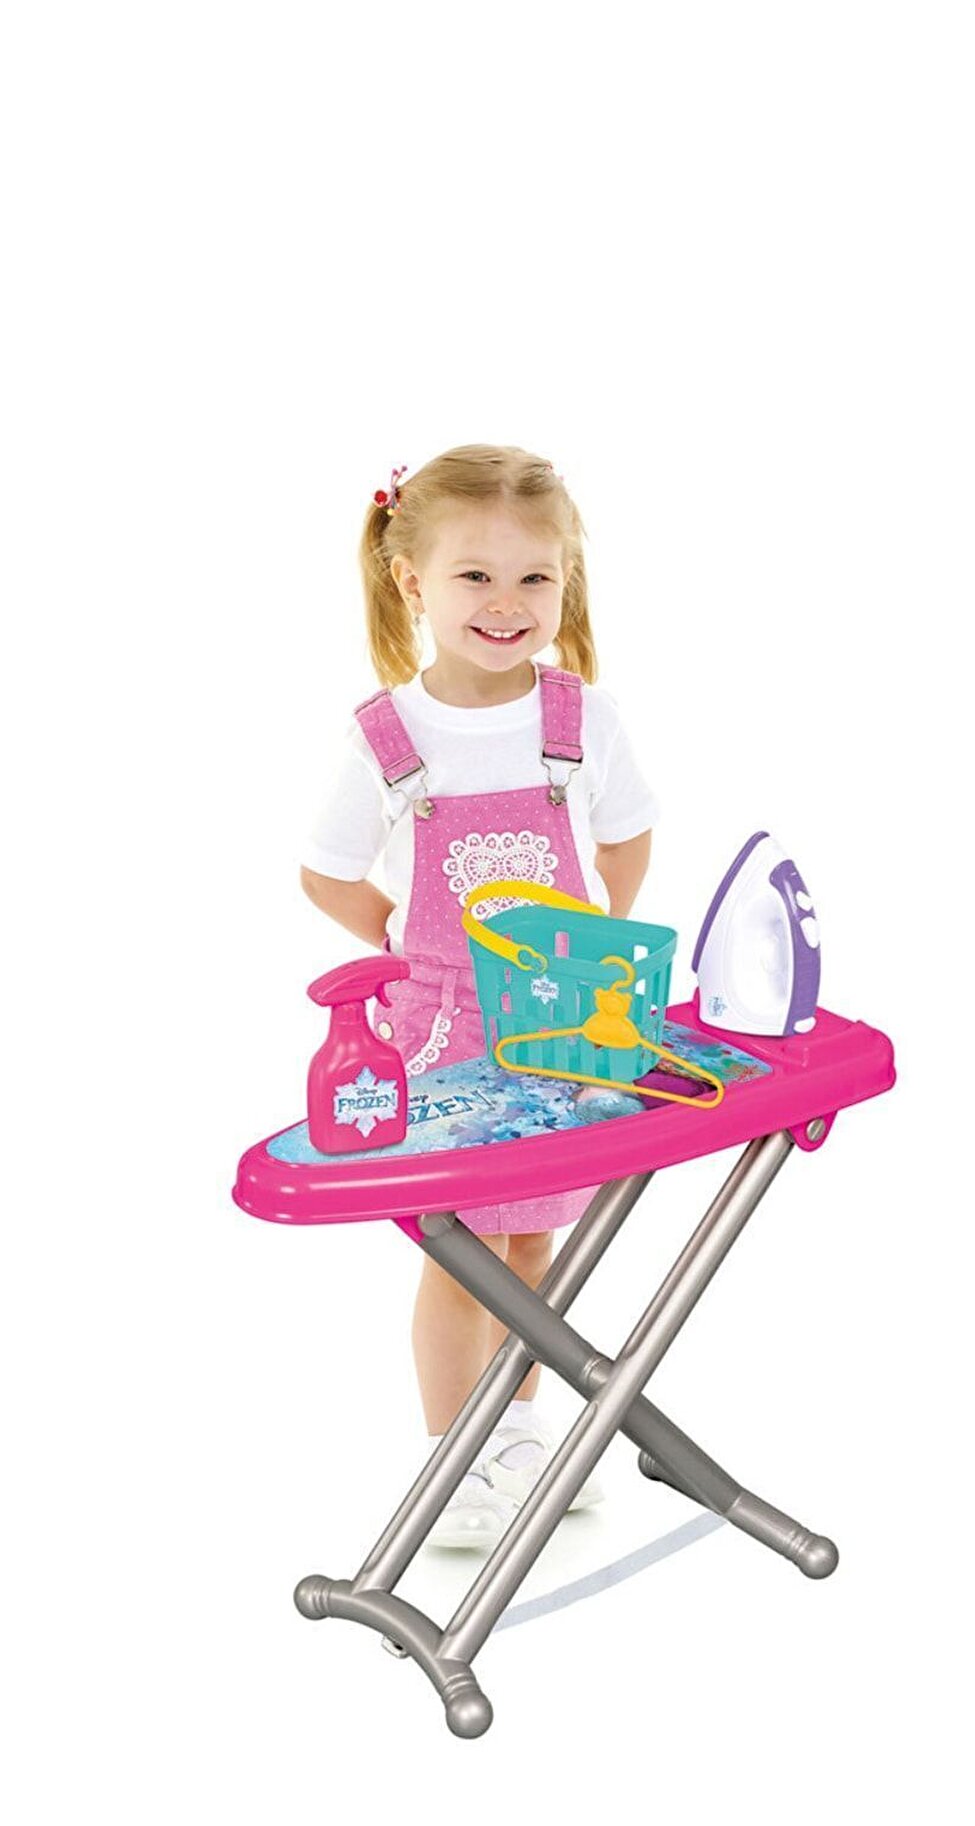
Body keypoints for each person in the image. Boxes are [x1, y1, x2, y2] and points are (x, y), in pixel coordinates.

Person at [301, 444, 658, 1548]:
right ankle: (450, 1457)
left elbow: (627, 839)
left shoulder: (578, 718)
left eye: (533, 578)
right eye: (475, 577)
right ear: (413, 581)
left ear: (566, 580)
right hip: (446, 1028)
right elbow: (326, 872)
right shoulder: (390, 736)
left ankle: (514, 1430)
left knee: (536, 1236)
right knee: (459, 1250)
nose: (507, 604)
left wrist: (595, 938)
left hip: (563, 1013)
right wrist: (404, 946)